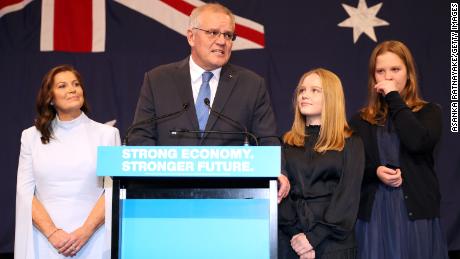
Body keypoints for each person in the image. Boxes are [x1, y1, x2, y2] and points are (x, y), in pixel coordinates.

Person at [128, 3, 289, 200]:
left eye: (228, 35)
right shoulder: (158, 80)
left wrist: (277, 171)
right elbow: (140, 137)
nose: (222, 41)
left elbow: (266, 139)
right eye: (213, 33)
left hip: (230, 199)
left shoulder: (251, 85)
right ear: (191, 36)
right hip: (166, 197)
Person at [351, 40, 449, 259]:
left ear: (409, 73)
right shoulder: (360, 120)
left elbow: (417, 142)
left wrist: (394, 97)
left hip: (415, 214)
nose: (388, 77)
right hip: (375, 213)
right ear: (373, 77)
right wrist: (375, 171)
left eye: (395, 69)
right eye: (380, 71)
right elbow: (352, 166)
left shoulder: (430, 112)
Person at [15, 65, 120, 258]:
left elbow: (112, 191)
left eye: (76, 84)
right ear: (50, 98)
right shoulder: (30, 137)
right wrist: (53, 233)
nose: (72, 89)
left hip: (94, 239)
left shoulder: (107, 135)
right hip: (46, 241)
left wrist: (85, 232)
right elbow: (24, 192)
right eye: (62, 86)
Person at [278, 68, 364, 259]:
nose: (304, 95)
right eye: (302, 90)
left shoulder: (351, 142)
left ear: (331, 98)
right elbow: (280, 194)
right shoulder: (285, 142)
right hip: (292, 242)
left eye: (314, 90)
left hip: (333, 244)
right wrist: (298, 237)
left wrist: (313, 238)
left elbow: (348, 197)